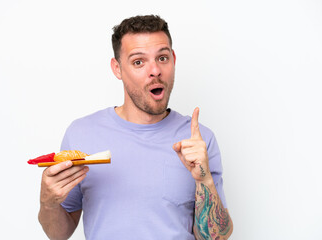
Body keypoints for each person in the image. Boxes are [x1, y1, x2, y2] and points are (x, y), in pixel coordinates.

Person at [38, 15, 233, 240]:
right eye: (138, 62)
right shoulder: (81, 134)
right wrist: (48, 202)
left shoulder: (199, 140)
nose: (155, 71)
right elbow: (58, 234)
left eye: (162, 58)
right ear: (117, 68)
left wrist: (204, 179)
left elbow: (216, 237)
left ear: (173, 60)